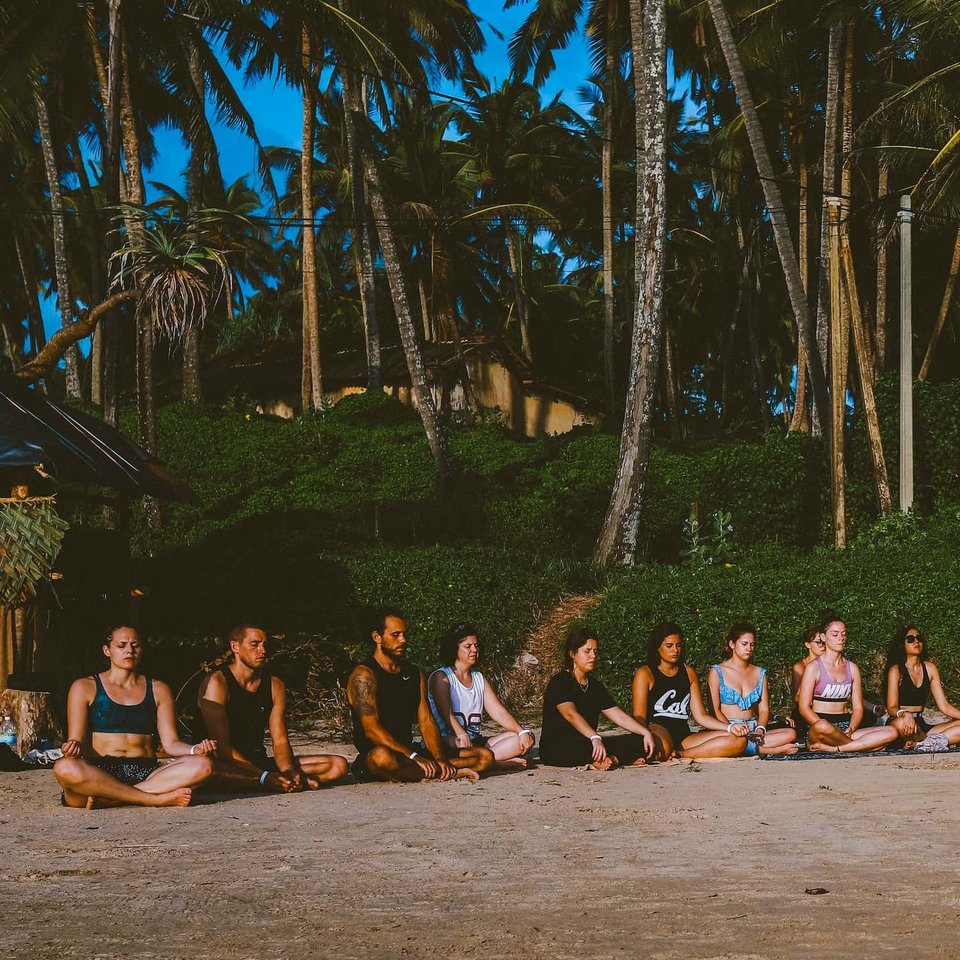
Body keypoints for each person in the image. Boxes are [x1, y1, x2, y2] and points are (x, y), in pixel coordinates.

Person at [54, 626, 216, 808]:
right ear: (107, 650)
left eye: (135, 645)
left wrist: (195, 749)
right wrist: (72, 747)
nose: (129, 651)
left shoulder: (158, 689)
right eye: (121, 645)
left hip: (146, 772)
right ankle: (154, 799)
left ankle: (113, 798)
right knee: (64, 767)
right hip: (98, 770)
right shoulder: (84, 687)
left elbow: (171, 743)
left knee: (203, 765)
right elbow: (76, 738)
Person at [346, 608, 494, 782]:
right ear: (377, 637)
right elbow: (372, 730)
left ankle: (432, 770)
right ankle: (439, 772)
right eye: (395, 635)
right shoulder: (364, 676)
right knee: (381, 757)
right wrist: (414, 756)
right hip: (380, 755)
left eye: (404, 634)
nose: (403, 640)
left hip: (410, 752)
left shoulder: (414, 673)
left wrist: (439, 758)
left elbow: (426, 722)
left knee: (484, 757)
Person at [198, 624, 349, 791]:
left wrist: (288, 770)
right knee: (208, 774)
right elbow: (223, 749)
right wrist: (264, 776)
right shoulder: (217, 682)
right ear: (235, 647)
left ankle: (283, 782)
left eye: (265, 644)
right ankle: (267, 782)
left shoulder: (274, 685)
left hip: (258, 762)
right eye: (254, 644)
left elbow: (280, 742)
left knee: (338, 765)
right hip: (226, 764)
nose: (262, 651)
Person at [539, 627, 654, 770]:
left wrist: (645, 732)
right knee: (586, 746)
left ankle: (612, 759)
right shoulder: (560, 682)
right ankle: (609, 758)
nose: (593, 656)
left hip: (590, 741)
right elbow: (570, 714)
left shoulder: (595, 686)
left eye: (595, 651)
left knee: (639, 741)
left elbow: (619, 717)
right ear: (572, 654)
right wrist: (594, 736)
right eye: (587, 651)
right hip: (559, 746)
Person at [633, 622, 750, 759]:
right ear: (658, 647)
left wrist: (730, 728)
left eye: (678, 645)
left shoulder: (689, 673)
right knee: (663, 749)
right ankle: (667, 751)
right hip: (658, 729)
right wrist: (646, 736)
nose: (675, 650)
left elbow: (700, 715)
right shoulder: (645, 673)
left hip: (684, 736)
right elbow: (639, 716)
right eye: (669, 646)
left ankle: (681, 754)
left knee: (739, 740)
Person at [427, 622, 534, 770]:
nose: (474, 650)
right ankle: (493, 762)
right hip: (451, 740)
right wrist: (461, 734)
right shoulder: (442, 677)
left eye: (476, 646)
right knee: (455, 743)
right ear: (454, 649)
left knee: (524, 738)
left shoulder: (478, 678)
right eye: (468, 646)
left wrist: (521, 731)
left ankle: (487, 760)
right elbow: (446, 713)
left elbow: (498, 711)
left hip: (474, 742)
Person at [797, 612, 899, 753]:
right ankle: (860, 746)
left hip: (845, 727)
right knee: (823, 726)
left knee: (891, 731)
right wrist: (822, 725)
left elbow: (857, 708)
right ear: (823, 637)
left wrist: (852, 727)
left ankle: (837, 748)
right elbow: (804, 707)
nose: (841, 638)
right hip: (820, 728)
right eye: (835, 634)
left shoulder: (852, 668)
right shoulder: (813, 668)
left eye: (844, 634)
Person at [707, 621, 798, 756]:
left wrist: (760, 728)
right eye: (744, 644)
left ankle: (747, 748)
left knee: (790, 733)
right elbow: (715, 710)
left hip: (753, 729)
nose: (749, 648)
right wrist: (731, 728)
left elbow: (763, 709)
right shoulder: (717, 671)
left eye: (752, 644)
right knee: (734, 740)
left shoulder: (760, 673)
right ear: (732, 644)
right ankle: (769, 750)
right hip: (727, 728)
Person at [885, 625, 960, 751]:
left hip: (921, 724)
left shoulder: (930, 669)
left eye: (919, 638)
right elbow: (891, 707)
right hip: (902, 721)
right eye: (910, 639)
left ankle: (922, 743)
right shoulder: (896, 670)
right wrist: (905, 714)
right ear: (901, 645)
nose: (916, 642)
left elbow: (944, 706)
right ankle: (932, 742)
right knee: (901, 724)